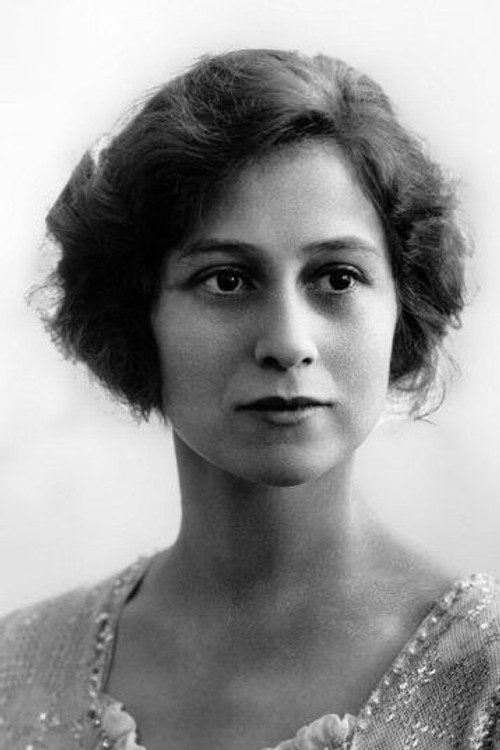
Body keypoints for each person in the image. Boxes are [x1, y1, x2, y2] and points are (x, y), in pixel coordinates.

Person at [0, 48, 497, 750]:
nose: (288, 343)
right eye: (227, 280)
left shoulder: (486, 680)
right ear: (136, 316)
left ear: (402, 305)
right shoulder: (16, 669)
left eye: (337, 277)